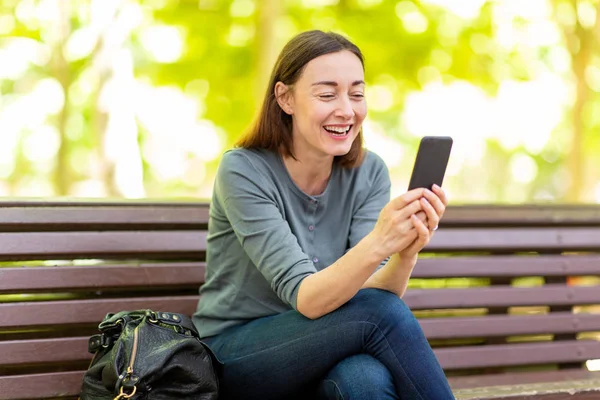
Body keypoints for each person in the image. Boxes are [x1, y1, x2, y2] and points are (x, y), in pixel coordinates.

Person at [192, 30, 455, 400]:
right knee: (378, 315)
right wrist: (380, 240)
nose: (347, 110)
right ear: (285, 98)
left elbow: (374, 293)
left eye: (357, 93)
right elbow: (310, 298)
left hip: (327, 341)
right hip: (237, 355)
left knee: (365, 378)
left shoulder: (368, 172)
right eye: (327, 94)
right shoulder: (243, 170)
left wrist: (406, 250)